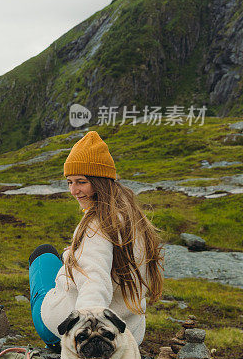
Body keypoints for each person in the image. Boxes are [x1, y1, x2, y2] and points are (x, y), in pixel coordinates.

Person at [28, 130, 163, 348]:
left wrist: (85, 340)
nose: (74, 190)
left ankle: (54, 342)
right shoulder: (131, 216)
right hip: (128, 332)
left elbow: (94, 281)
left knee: (42, 256)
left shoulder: (96, 226)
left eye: (81, 181)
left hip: (73, 331)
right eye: (69, 182)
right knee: (61, 258)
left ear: (100, 181)